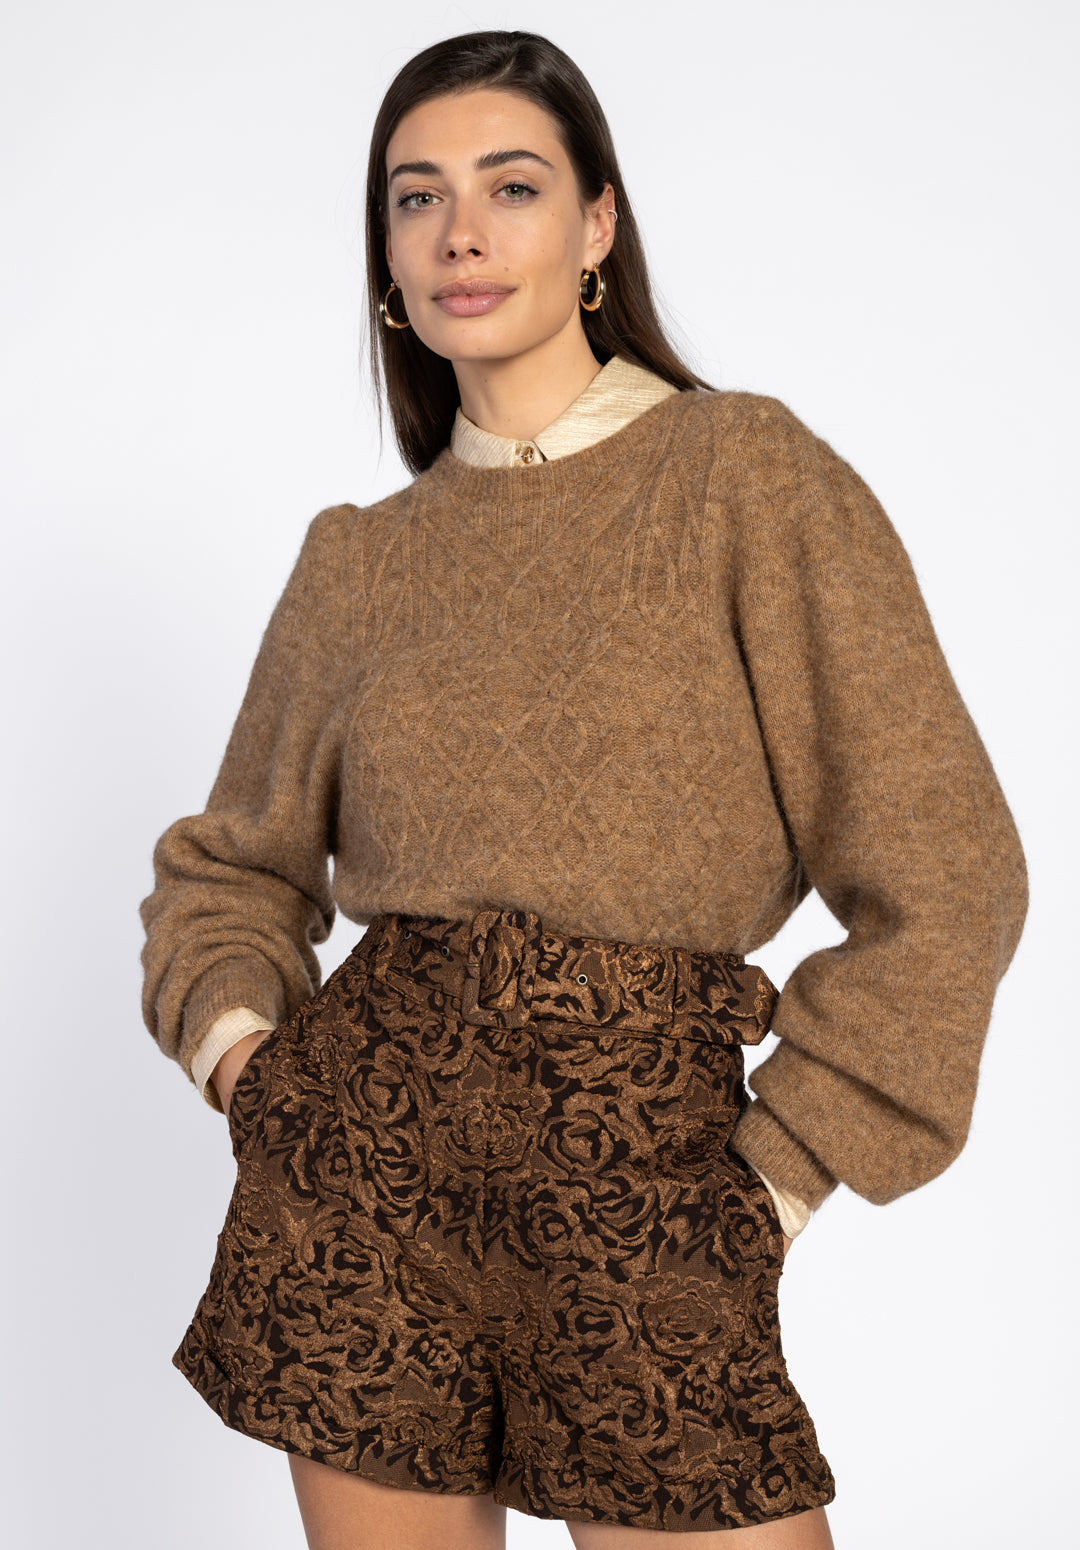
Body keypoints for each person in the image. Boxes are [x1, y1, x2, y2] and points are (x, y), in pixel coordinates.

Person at [138, 28, 1028, 1550]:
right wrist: (257, 1075)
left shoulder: (744, 476)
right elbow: (232, 869)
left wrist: (775, 1178)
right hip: (363, 1184)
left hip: (648, 1180)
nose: (460, 233)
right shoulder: (360, 559)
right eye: (417, 198)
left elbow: (949, 870)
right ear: (388, 257)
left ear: (598, 224)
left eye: (512, 187)